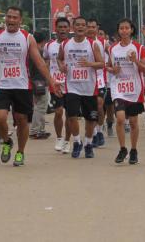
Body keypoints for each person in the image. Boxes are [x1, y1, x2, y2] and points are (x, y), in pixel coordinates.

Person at [0, 6, 61, 166]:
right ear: (5, 18)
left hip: (22, 86)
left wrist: (51, 81)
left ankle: (20, 152)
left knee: (22, 120)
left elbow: (39, 62)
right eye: (9, 17)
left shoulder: (27, 38)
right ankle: (6, 141)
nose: (11, 20)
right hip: (2, 85)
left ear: (20, 21)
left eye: (14, 18)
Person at [57, 17, 104, 158]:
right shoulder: (65, 44)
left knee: (91, 119)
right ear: (73, 26)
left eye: (83, 25)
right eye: (78, 25)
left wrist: (90, 64)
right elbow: (59, 59)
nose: (81, 27)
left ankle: (88, 143)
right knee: (71, 116)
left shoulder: (92, 44)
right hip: (72, 86)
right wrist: (61, 67)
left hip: (89, 88)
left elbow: (102, 63)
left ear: (86, 28)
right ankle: (77, 142)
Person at [107, 19, 145, 164]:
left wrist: (135, 61)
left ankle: (134, 150)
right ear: (118, 31)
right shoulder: (112, 48)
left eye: (127, 28)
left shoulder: (139, 47)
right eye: (121, 28)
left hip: (134, 88)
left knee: (134, 122)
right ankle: (122, 148)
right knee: (120, 118)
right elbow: (108, 66)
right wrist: (113, 70)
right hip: (118, 87)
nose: (124, 31)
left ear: (131, 30)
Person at [44, 18, 70, 153]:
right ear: (56, 29)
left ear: (69, 29)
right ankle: (59, 137)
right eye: (60, 27)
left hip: (71, 84)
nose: (63, 29)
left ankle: (67, 140)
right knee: (59, 111)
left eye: (65, 27)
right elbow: (46, 63)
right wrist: (48, 81)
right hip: (56, 84)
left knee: (71, 114)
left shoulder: (73, 45)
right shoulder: (49, 46)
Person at [86, 19, 108, 147]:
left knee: (99, 105)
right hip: (86, 80)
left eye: (93, 27)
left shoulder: (103, 43)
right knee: (89, 109)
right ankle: (93, 133)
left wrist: (111, 67)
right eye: (88, 26)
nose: (90, 29)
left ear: (97, 28)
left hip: (100, 79)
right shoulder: (81, 42)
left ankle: (99, 131)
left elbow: (112, 55)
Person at [30, 31, 50, 139]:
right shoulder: (39, 51)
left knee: (39, 106)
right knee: (41, 107)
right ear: (43, 41)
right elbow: (42, 66)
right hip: (40, 81)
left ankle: (41, 129)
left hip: (34, 81)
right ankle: (35, 130)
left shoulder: (31, 51)